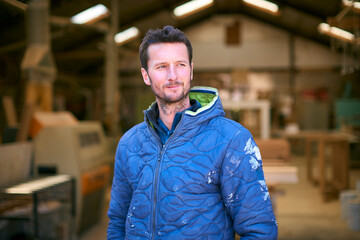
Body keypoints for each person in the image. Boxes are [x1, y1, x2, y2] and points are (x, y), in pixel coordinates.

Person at [107, 25, 278, 240]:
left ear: (191, 70)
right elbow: (117, 222)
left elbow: (259, 229)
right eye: (161, 66)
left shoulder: (232, 140)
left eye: (180, 65)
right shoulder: (129, 144)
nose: (173, 75)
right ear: (145, 75)